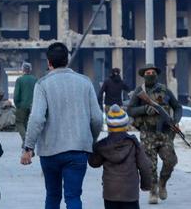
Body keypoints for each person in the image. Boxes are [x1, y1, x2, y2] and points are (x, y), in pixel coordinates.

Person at [21, 42, 103, 209]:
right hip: (79, 149)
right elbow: (96, 118)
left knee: (52, 195)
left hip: (50, 151)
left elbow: (36, 118)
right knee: (73, 196)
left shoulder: (42, 84)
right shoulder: (85, 82)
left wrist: (28, 147)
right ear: (67, 60)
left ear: (49, 62)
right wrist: (91, 140)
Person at [127, 64, 182, 205]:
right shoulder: (140, 91)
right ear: (144, 75)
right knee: (150, 165)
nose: (150, 74)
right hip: (148, 133)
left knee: (171, 161)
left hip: (164, 133)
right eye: (147, 72)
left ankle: (162, 183)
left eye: (152, 72)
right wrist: (145, 109)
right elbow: (130, 110)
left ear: (156, 74)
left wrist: (175, 120)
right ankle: (153, 190)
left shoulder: (165, 91)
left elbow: (177, 107)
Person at [88, 105, 152, 209]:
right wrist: (146, 185)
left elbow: (94, 163)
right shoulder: (134, 143)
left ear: (109, 127)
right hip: (130, 193)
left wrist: (94, 147)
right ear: (125, 125)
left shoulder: (103, 145)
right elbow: (144, 166)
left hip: (110, 193)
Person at [13, 62, 37, 145]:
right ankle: (28, 142)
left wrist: (17, 105)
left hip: (22, 105)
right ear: (30, 69)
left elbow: (16, 95)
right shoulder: (35, 79)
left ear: (22, 69)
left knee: (19, 122)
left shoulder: (20, 80)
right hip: (33, 105)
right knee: (28, 123)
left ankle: (25, 139)